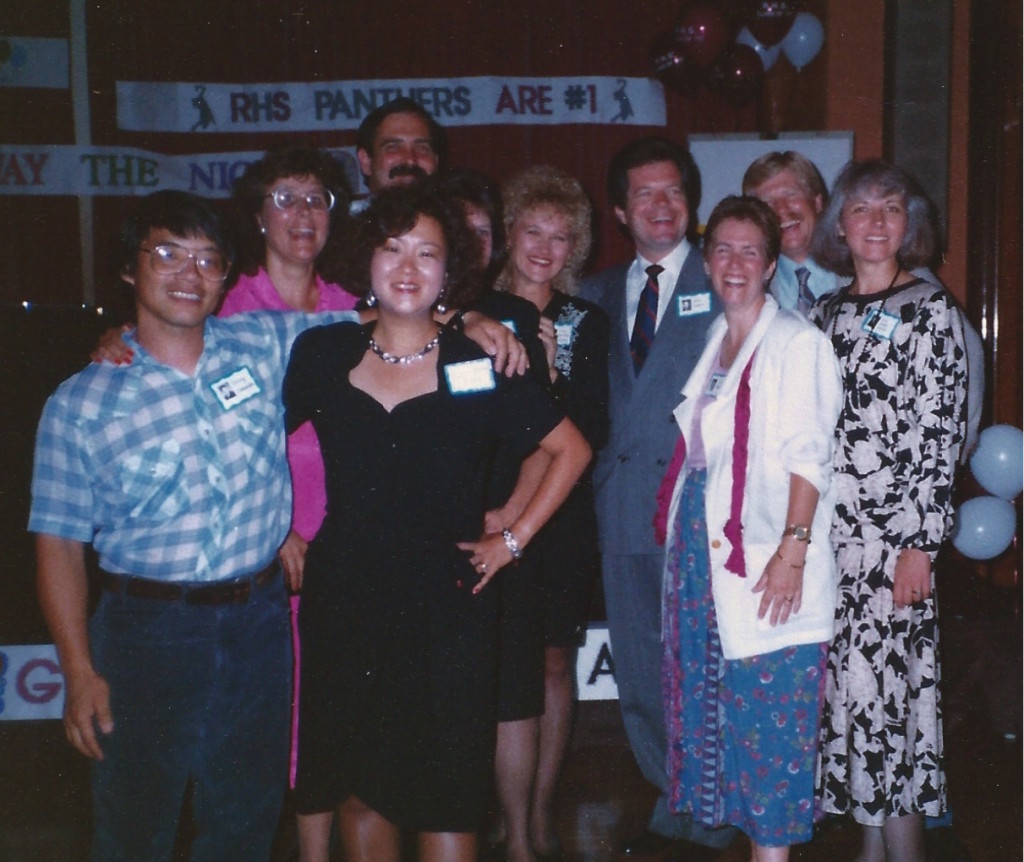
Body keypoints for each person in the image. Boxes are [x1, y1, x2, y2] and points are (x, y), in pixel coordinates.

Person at [28, 190, 363, 862]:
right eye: (168, 254)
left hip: (258, 622)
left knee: (246, 815)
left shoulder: (265, 343)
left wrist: (473, 317)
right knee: (134, 821)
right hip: (146, 633)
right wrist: (79, 670)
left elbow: (383, 318)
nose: (190, 274)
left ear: (226, 276)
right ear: (129, 269)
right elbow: (58, 544)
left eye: (209, 260)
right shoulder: (82, 402)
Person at [283, 184, 592, 862]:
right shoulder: (321, 354)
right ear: (366, 258)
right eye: (392, 248)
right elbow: (256, 447)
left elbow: (568, 449)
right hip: (346, 598)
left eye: (427, 253)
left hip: (448, 605)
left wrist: (511, 539)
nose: (406, 265)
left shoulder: (477, 361)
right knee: (362, 790)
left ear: (449, 272)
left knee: (447, 796)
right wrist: (280, 531)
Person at [655, 196, 842, 862]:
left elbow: (809, 455)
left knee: (772, 729)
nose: (735, 263)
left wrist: (793, 552)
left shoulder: (798, 341)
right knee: (726, 724)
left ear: (770, 266)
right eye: (723, 250)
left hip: (767, 556)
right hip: (704, 558)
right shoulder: (715, 340)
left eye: (750, 252)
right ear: (707, 261)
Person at [580, 137, 735, 860]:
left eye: (673, 191)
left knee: (701, 663)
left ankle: (709, 807)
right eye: (644, 194)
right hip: (620, 510)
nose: (661, 205)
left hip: (695, 509)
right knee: (641, 668)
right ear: (619, 210)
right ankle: (671, 796)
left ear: (692, 201)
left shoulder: (727, 276)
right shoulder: (594, 293)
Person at [810, 160, 968, 862]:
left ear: (911, 224)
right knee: (855, 713)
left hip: (893, 551)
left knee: (892, 715)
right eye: (861, 208)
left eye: (891, 208)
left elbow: (940, 437)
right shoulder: (825, 313)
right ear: (838, 224)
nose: (876, 221)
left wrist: (919, 547)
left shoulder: (931, 311)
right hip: (832, 550)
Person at [486, 166, 609, 862]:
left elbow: (594, 425)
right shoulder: (474, 309)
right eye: (534, 229)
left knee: (555, 665)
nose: (545, 246)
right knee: (506, 670)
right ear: (510, 232)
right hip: (491, 509)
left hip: (560, 515)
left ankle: (538, 812)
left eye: (561, 236)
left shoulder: (586, 321)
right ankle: (512, 826)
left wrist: (555, 376)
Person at [354, 96, 446, 204]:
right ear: (366, 162)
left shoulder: (460, 219)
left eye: (422, 148)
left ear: (436, 161)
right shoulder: (343, 221)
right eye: (393, 147)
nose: (410, 160)